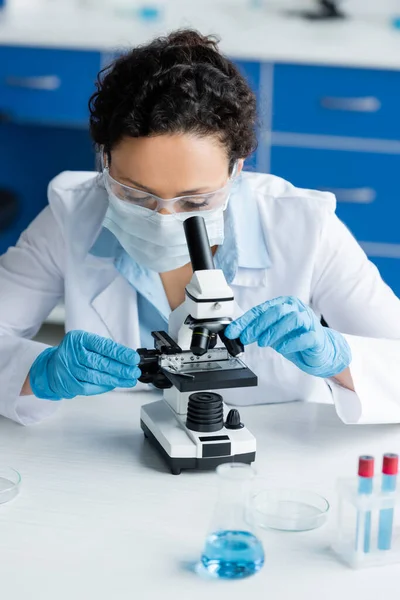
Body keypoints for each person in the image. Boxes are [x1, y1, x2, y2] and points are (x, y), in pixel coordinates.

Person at [1, 30, 399, 427]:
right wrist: (37, 373)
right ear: (105, 159)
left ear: (236, 169)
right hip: (112, 454)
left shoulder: (305, 229)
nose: (164, 218)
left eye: (195, 202)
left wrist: (340, 359)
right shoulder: (70, 215)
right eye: (137, 196)